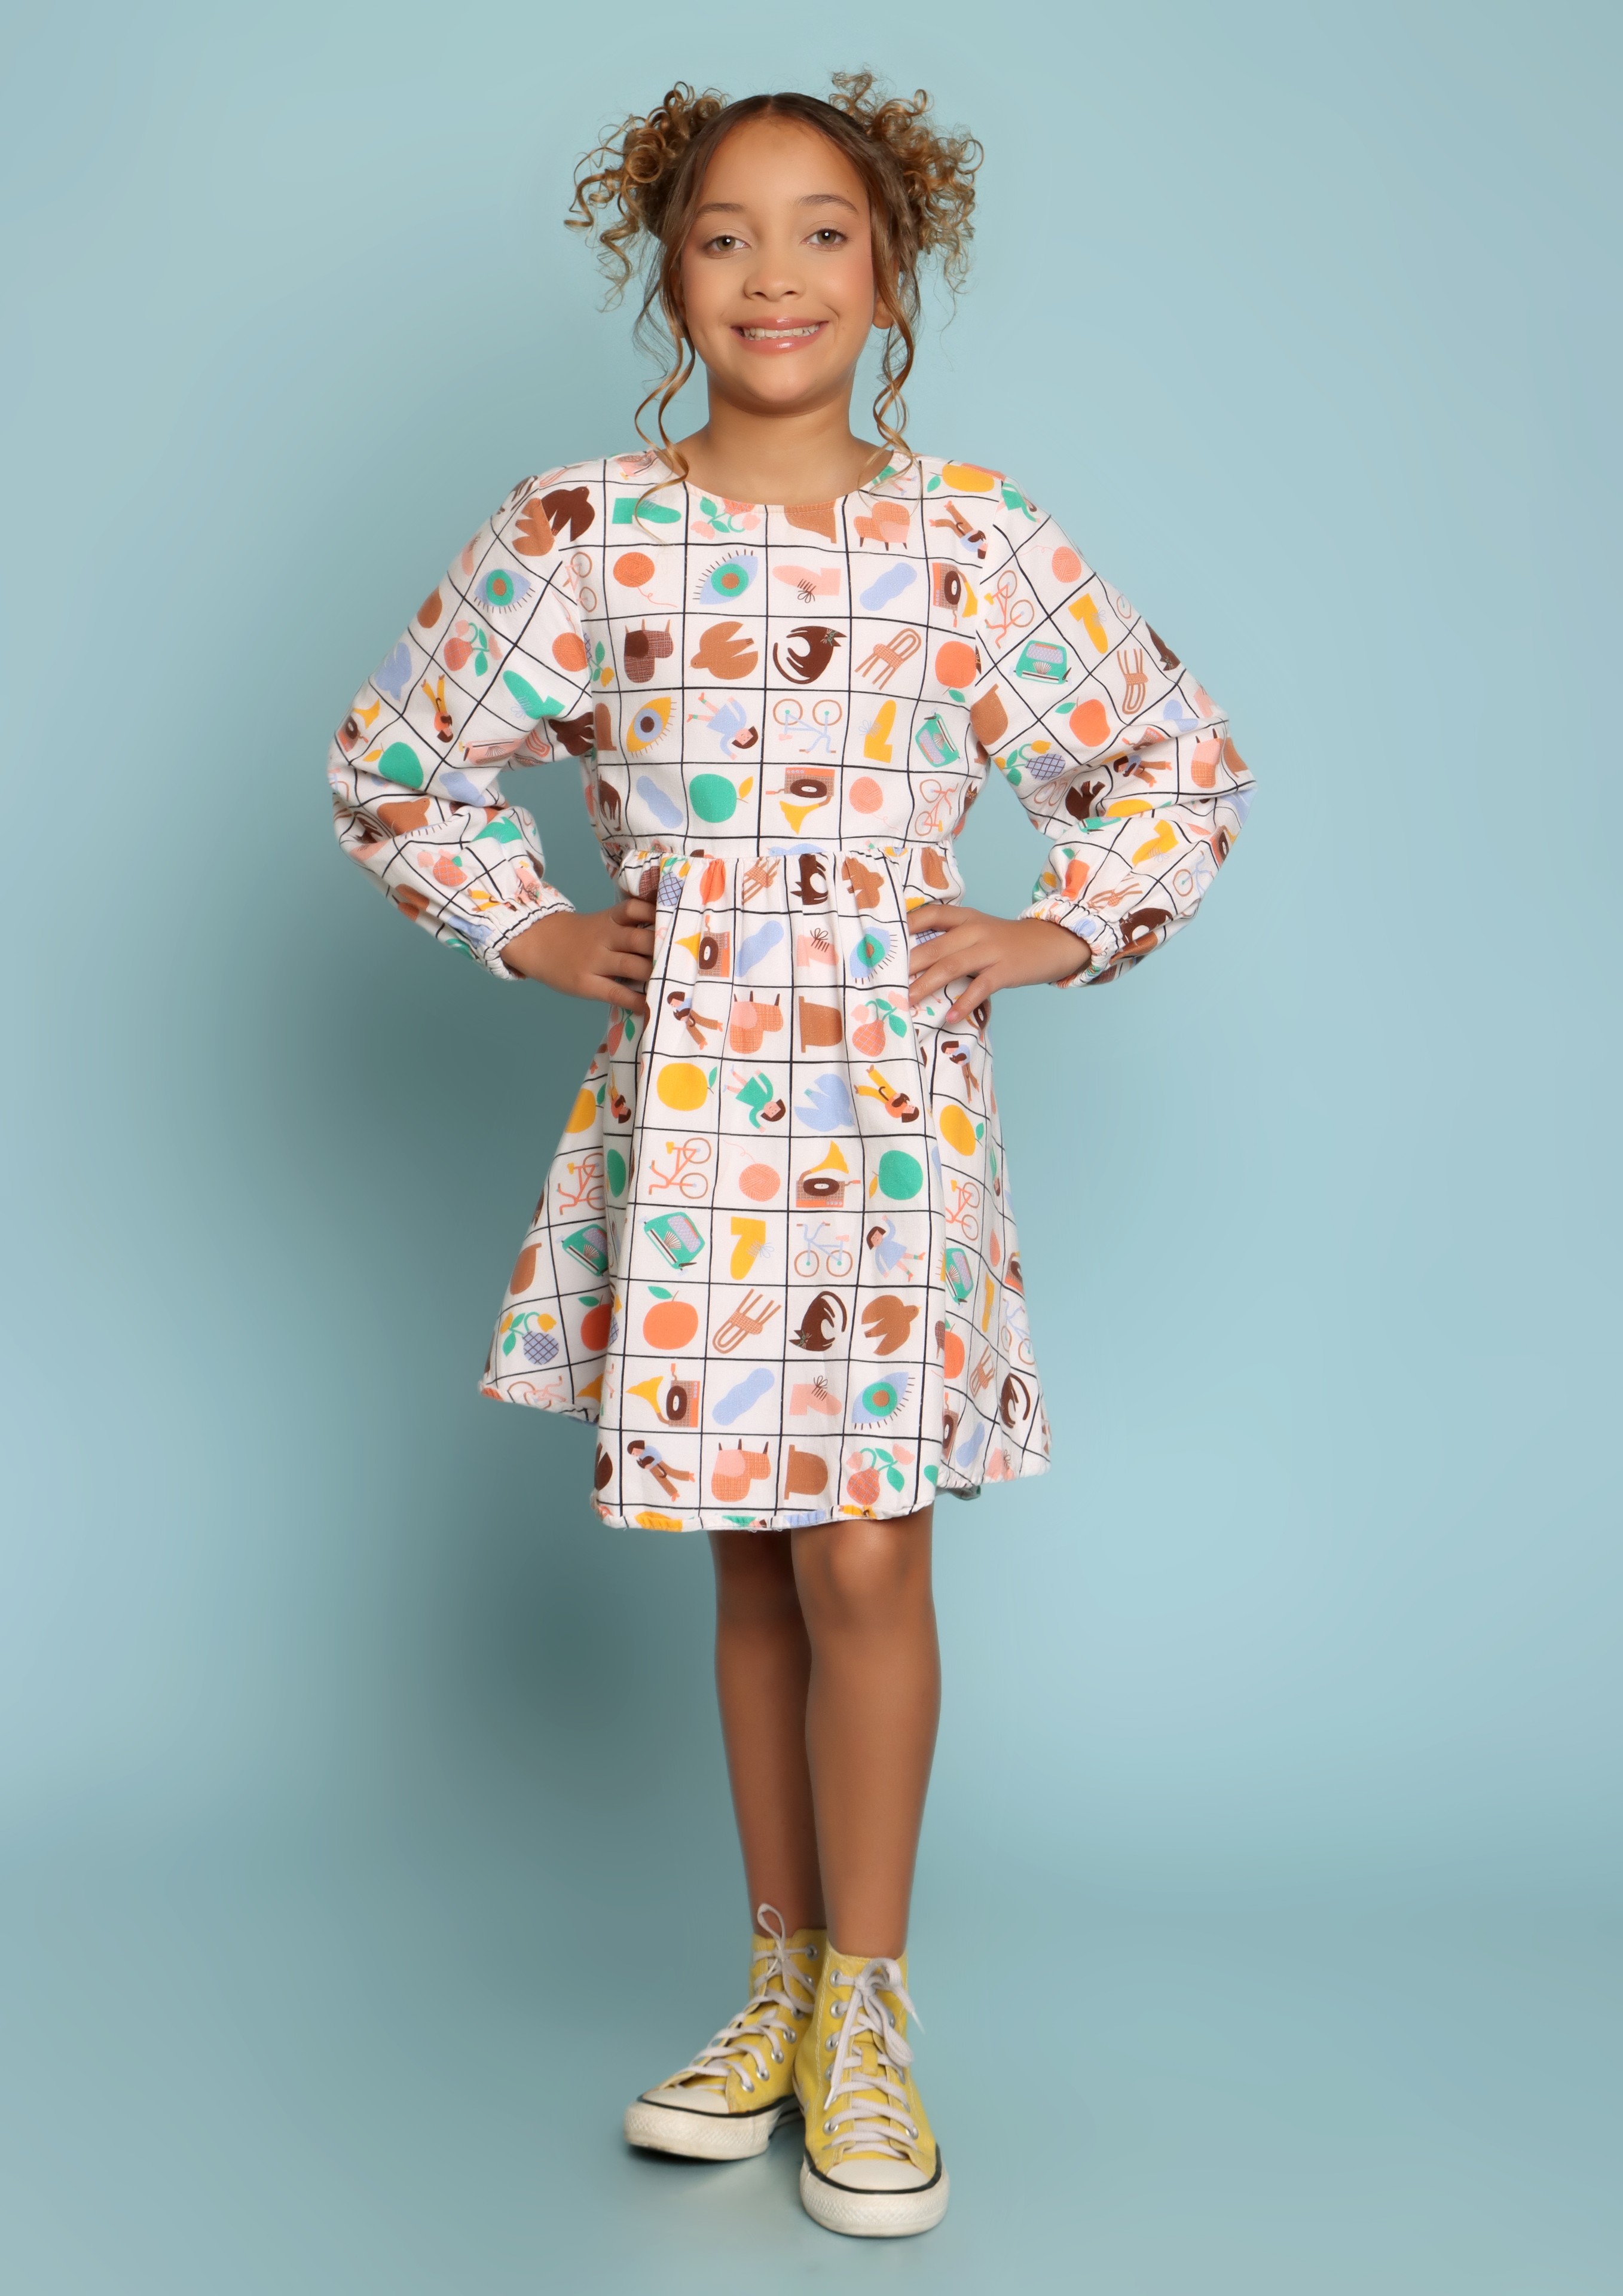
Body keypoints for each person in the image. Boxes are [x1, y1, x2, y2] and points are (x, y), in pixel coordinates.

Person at [326, 72, 1252, 2240]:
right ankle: (775, 1985)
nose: (774, 274)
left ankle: (872, 2013)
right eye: (726, 233)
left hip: (891, 1120)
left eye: (822, 231)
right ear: (668, 274)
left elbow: (1171, 766)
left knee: (866, 1551)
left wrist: (1050, 926)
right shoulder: (580, 531)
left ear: (890, 274)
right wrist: (529, 923)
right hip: (689, 1109)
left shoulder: (973, 542)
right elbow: (393, 761)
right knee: (751, 1553)